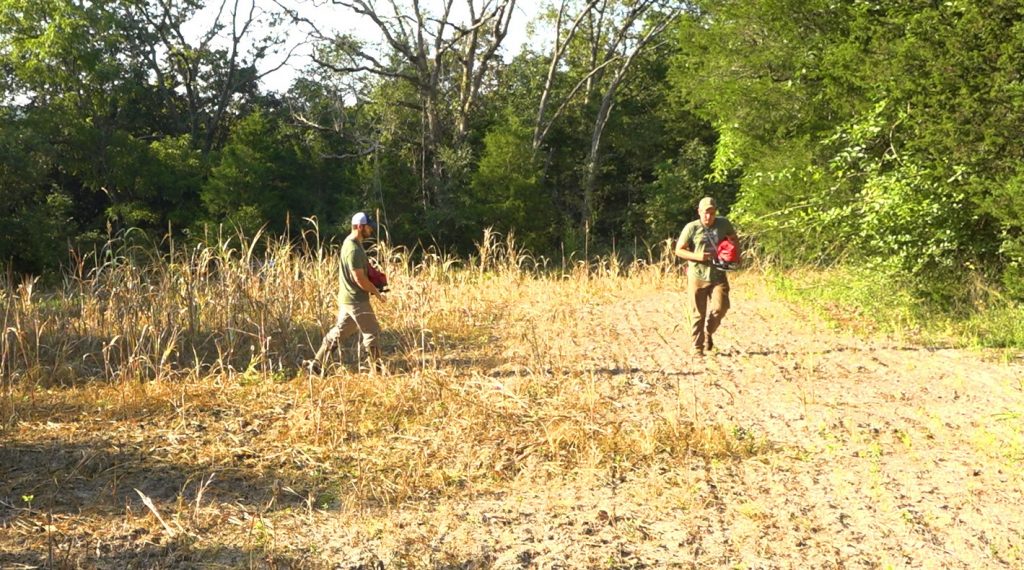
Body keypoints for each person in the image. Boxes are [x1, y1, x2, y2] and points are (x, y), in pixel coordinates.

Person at [309, 212, 387, 374]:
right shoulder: (353, 249)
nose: (371, 230)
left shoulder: (351, 244)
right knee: (371, 332)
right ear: (359, 227)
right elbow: (359, 279)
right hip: (356, 299)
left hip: (348, 298)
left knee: (340, 332)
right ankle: (377, 372)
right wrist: (377, 293)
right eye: (368, 227)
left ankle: (316, 365)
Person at [674, 197, 740, 356]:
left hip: (718, 274)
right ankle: (697, 347)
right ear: (699, 212)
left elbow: (734, 239)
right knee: (697, 313)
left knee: (721, 307)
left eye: (711, 213)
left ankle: (708, 333)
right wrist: (698, 256)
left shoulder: (724, 224)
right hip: (697, 275)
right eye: (705, 213)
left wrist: (735, 255)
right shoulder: (691, 228)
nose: (708, 216)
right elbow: (679, 250)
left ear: (715, 212)